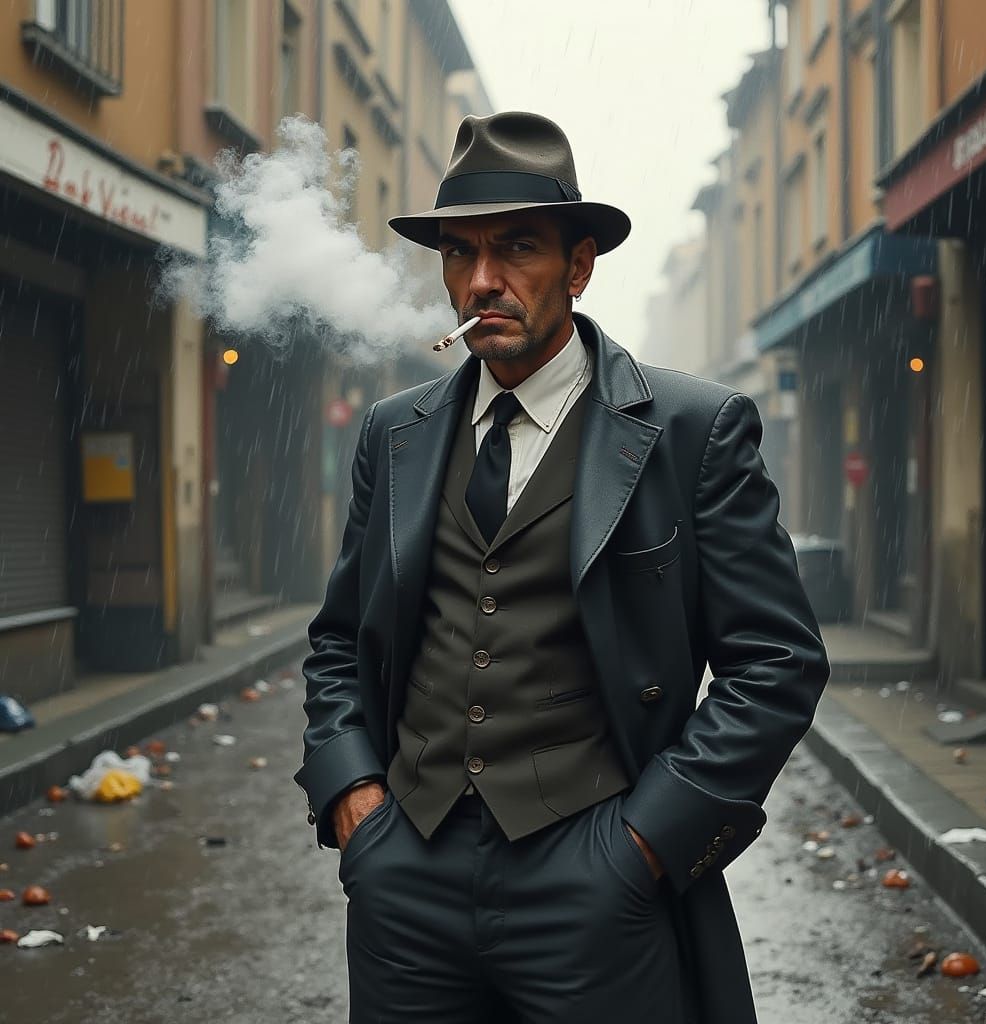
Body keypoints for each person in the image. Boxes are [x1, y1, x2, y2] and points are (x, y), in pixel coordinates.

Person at [294, 110, 830, 1024]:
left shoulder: (691, 430)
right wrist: (354, 798)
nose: (482, 281)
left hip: (595, 881)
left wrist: (644, 847)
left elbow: (777, 664)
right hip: (405, 880)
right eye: (459, 255)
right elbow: (341, 639)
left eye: (517, 249)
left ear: (579, 267)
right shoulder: (396, 434)